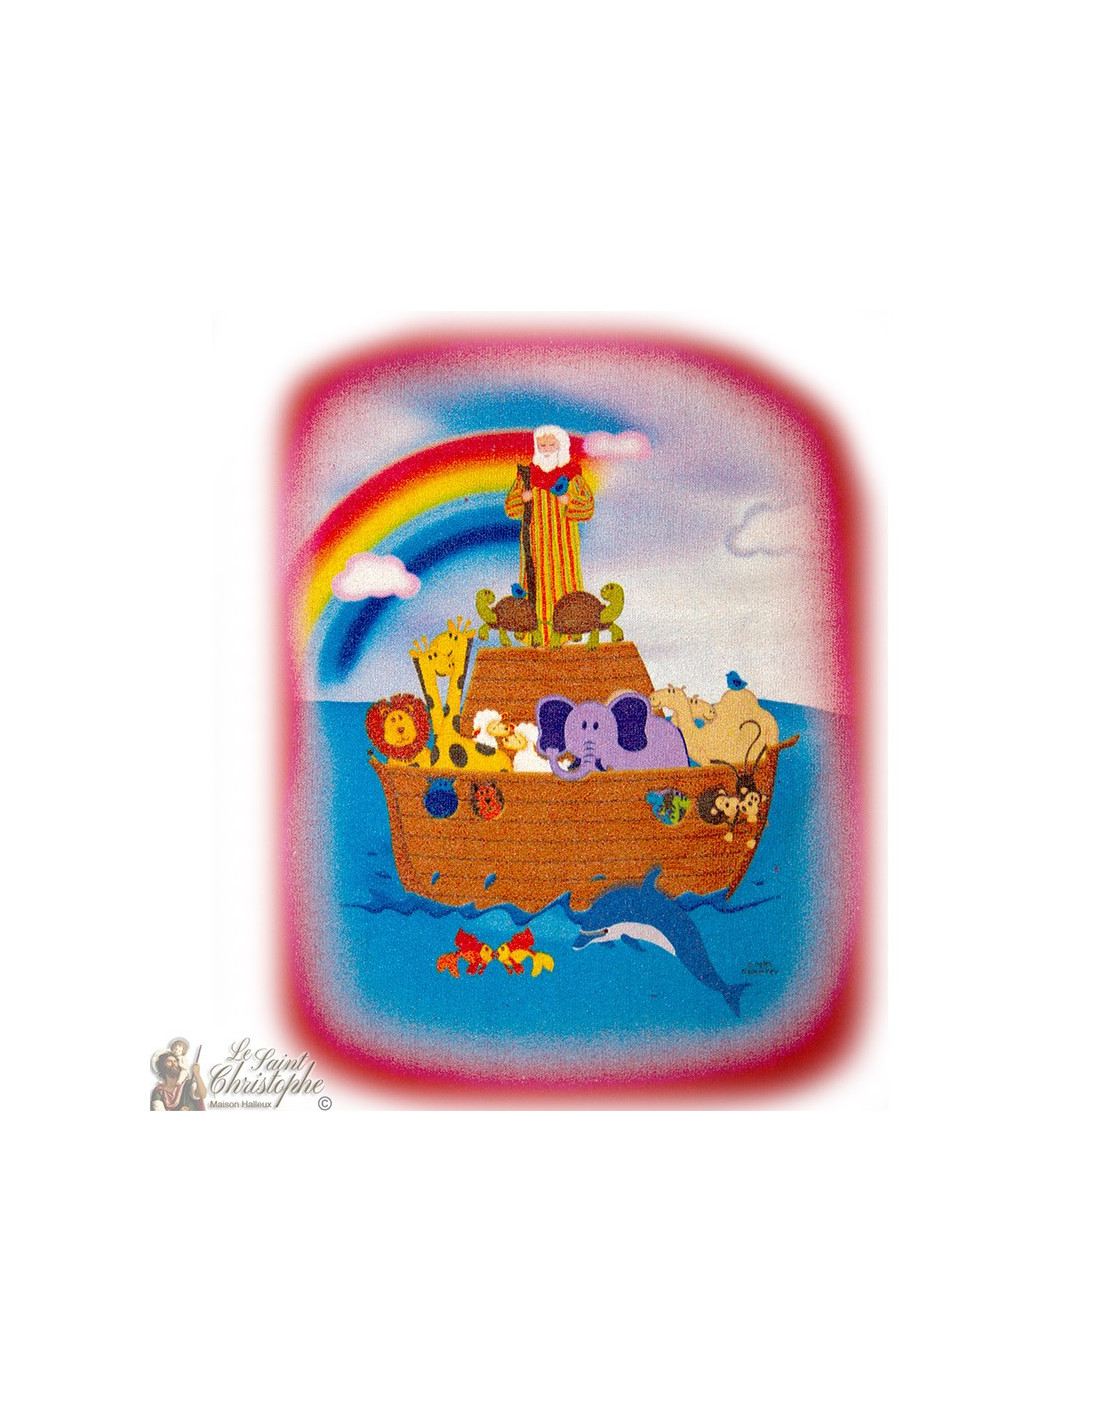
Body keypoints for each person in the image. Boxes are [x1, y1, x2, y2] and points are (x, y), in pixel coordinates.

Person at [504, 425, 594, 644]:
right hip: (534, 545)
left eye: (550, 444)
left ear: (560, 446)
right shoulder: (527, 476)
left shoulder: (571, 476)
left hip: (563, 547)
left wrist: (569, 500)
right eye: (541, 445)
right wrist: (522, 498)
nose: (545, 449)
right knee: (533, 588)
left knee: (565, 586)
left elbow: (587, 508)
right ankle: (533, 634)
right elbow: (510, 509)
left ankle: (569, 630)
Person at [150, 1046, 207, 1111]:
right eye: (169, 1061)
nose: (174, 1064)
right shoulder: (159, 1091)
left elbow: (202, 1095)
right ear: (162, 1066)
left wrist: (197, 1075)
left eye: (175, 1061)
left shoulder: (187, 1084)